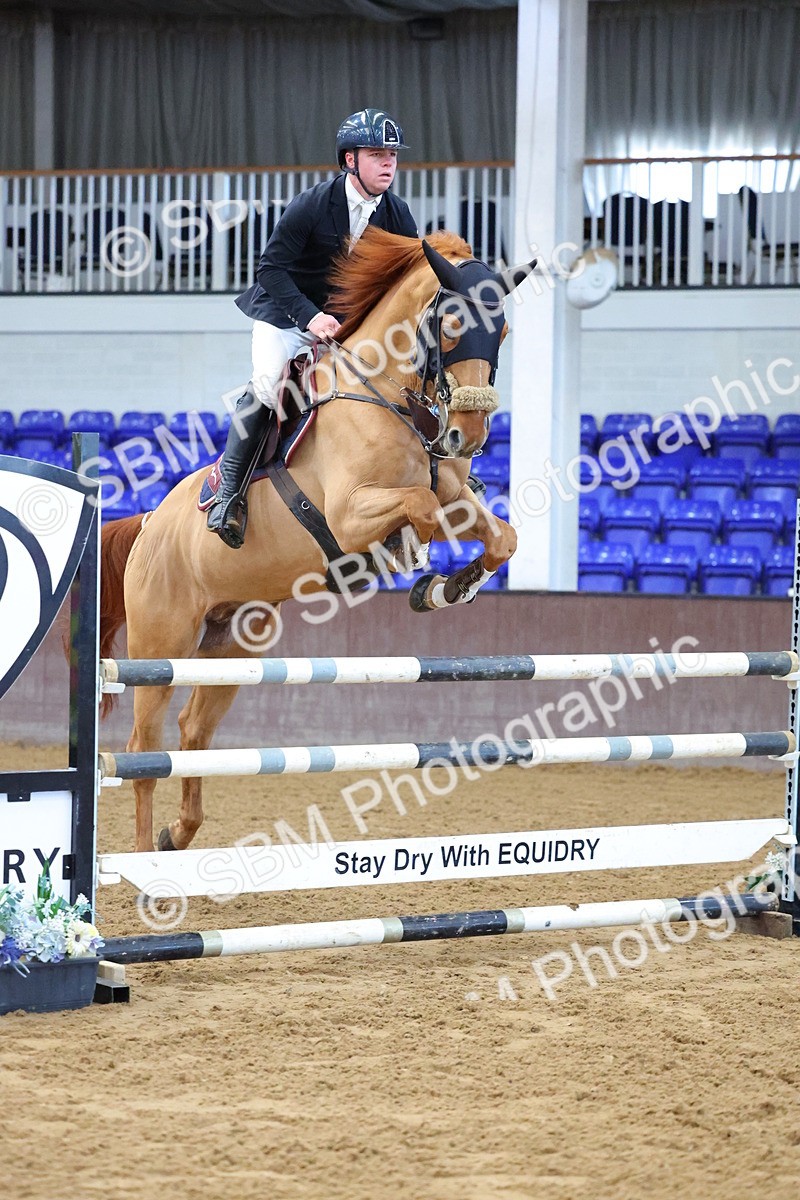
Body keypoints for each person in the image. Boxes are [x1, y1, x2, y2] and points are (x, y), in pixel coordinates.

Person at [207, 108, 419, 549]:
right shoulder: (313, 204)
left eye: (393, 155)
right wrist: (308, 317)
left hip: (345, 325)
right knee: (269, 386)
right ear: (349, 160)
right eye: (377, 154)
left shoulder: (397, 214)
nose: (388, 163)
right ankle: (229, 494)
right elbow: (270, 269)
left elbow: (406, 279)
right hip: (286, 315)